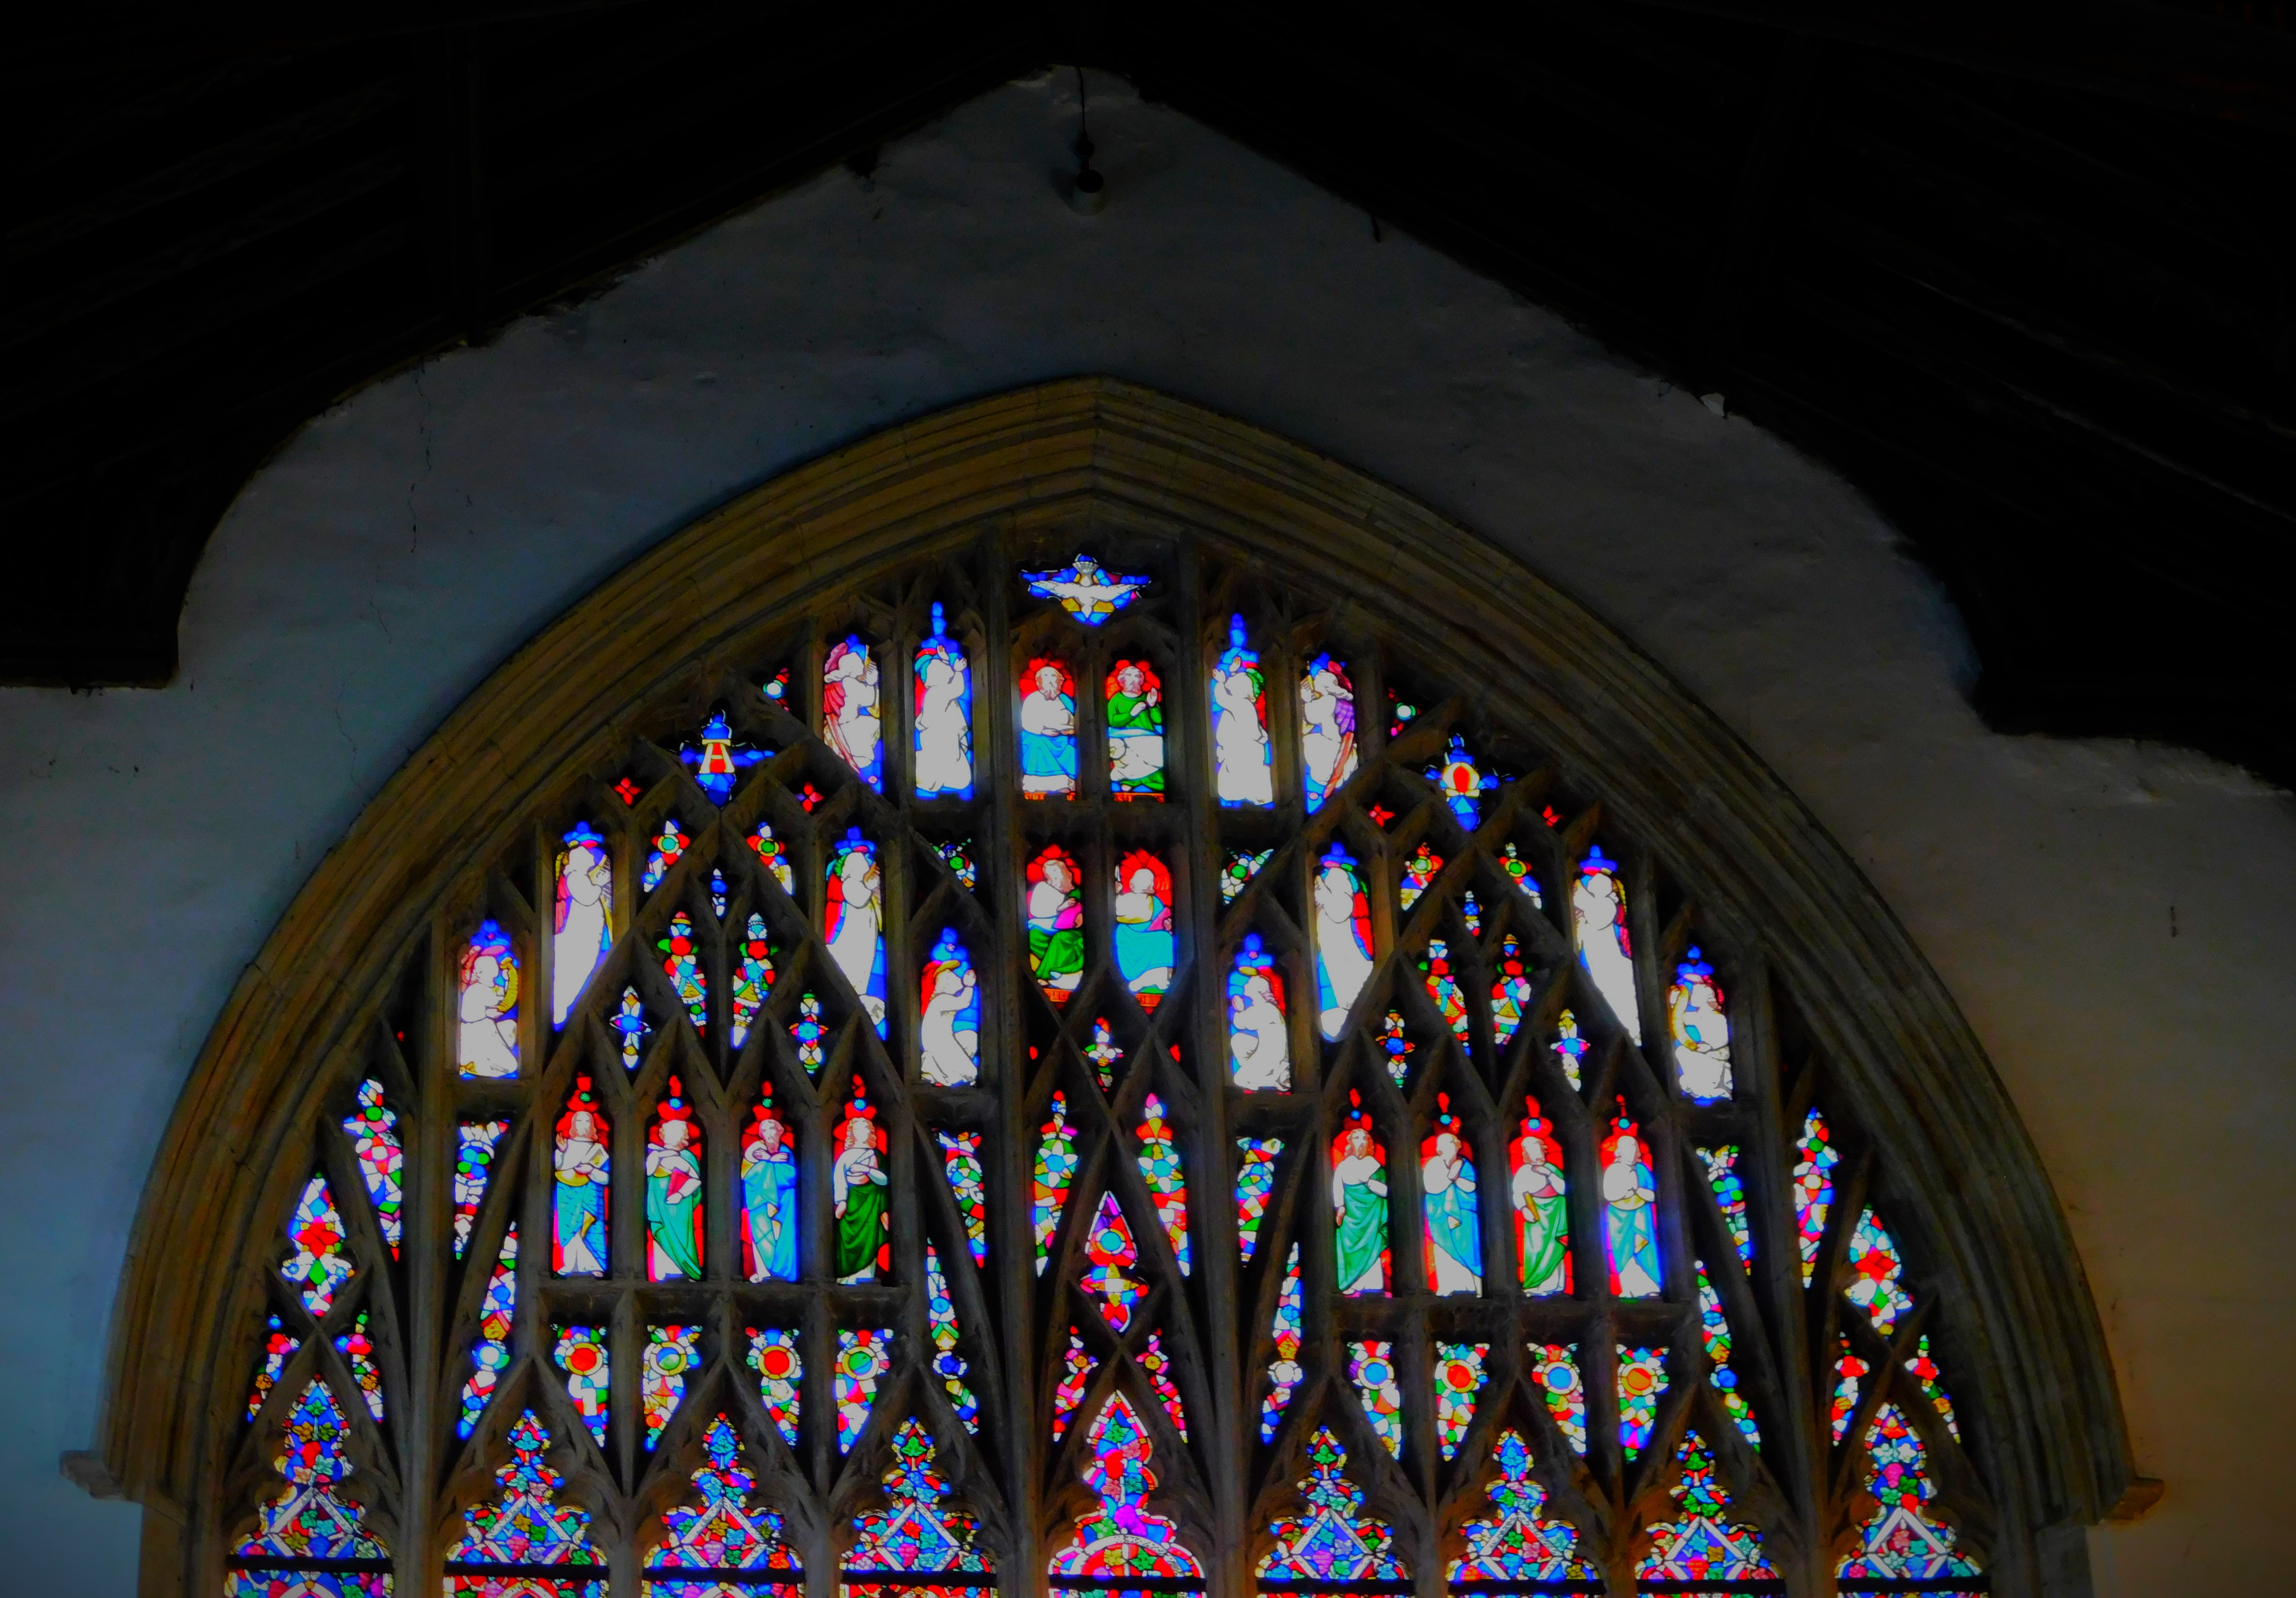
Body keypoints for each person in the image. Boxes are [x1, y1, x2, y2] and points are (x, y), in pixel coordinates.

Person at [552, 825, 612, 1026]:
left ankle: (564, 1005)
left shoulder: (580, 877)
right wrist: (600, 886)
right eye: (586, 855)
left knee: (585, 965)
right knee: (578, 966)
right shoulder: (575, 877)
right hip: (580, 932)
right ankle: (562, 1007)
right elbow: (587, 897)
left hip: (588, 930)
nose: (591, 857)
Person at [827, 839, 886, 1029]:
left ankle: (860, 991)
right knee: (856, 962)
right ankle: (853, 990)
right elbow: (858, 899)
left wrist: (872, 884)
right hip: (855, 932)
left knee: (866, 960)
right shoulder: (850, 884)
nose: (865, 867)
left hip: (868, 930)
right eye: (860, 865)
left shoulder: (863, 883)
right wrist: (868, 884)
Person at [1312, 859, 1374, 1038]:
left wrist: (1323, 893)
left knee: (1345, 981)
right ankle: (1341, 1011)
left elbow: (1340, 912)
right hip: (1327, 945)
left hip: (1340, 945)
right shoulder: (1329, 884)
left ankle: (1349, 1008)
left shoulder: (1341, 885)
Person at [645, 1109, 704, 1280]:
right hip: (658, 1205)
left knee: (680, 1238)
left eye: (678, 1133)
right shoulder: (655, 1154)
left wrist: (680, 1194)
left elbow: (696, 1180)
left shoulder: (686, 1157)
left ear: (684, 1138)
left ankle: (684, 1269)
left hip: (678, 1208)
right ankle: (663, 1270)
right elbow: (647, 1173)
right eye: (669, 1132)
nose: (672, 1136)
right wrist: (657, 1160)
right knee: (661, 1233)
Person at [741, 1106, 799, 1281]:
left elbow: (792, 1175)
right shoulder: (755, 1152)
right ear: (761, 1135)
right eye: (765, 1130)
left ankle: (783, 1273)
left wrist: (770, 1164)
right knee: (761, 1236)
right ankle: (764, 1273)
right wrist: (769, 1163)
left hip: (785, 1203)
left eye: (773, 1129)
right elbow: (748, 1176)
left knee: (783, 1237)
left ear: (781, 1132)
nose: (770, 1133)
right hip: (759, 1203)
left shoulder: (786, 1152)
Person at [913, 626, 972, 797]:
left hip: (945, 739)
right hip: (940, 740)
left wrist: (945, 660)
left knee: (961, 777)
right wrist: (958, 671)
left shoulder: (937, 691)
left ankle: (938, 778)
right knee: (952, 772)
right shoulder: (936, 693)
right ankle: (934, 779)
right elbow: (957, 688)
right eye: (940, 668)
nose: (948, 671)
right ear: (931, 677)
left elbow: (948, 681)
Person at [554, 1095, 609, 1276]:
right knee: (570, 1229)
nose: (583, 1124)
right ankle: (570, 1264)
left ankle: (593, 1264)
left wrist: (591, 1171)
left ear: (593, 1127)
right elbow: (559, 1168)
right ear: (573, 1125)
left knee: (591, 1229)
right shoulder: (566, 1146)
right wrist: (562, 1152)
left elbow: (606, 1178)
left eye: (587, 1121)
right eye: (579, 1121)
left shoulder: (598, 1151)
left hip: (591, 1195)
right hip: (567, 1194)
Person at [1422, 1130, 1483, 1295]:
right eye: (1446, 1144)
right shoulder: (1434, 1165)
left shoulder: (1465, 1165)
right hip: (1441, 1217)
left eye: (1453, 1143)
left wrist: (1456, 1178)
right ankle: (1449, 1286)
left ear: (1458, 1146)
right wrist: (1450, 1176)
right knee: (1445, 1250)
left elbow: (1472, 1187)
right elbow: (1431, 1187)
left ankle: (1470, 1287)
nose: (1451, 1147)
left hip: (1466, 1216)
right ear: (1439, 1149)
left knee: (1468, 1250)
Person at [1602, 1132, 1661, 1297]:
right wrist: (1626, 1191)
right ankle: (1629, 1289)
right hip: (1619, 1218)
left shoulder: (1643, 1170)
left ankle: (1650, 1288)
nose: (1631, 1152)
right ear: (1619, 1152)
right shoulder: (1613, 1170)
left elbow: (1654, 1195)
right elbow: (1608, 1194)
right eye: (1627, 1148)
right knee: (1624, 1253)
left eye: (1634, 1148)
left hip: (1642, 1215)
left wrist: (1638, 1191)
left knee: (1644, 1250)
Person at [1332, 1126, 1389, 1294]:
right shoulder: (1344, 1166)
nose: (1361, 1142)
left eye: (1365, 1139)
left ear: (1370, 1144)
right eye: (1357, 1139)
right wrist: (1340, 1207)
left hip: (1372, 1215)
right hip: (1351, 1219)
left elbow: (1385, 1191)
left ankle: (1373, 1284)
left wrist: (1368, 1182)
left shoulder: (1375, 1166)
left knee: (1372, 1246)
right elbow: (1337, 1187)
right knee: (1349, 1248)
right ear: (1350, 1144)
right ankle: (1352, 1282)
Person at [1512, 1127, 1569, 1293]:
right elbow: (1517, 1193)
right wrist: (1524, 1209)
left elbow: (1564, 1189)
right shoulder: (1523, 1172)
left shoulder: (1552, 1169)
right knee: (1536, 1249)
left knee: (1556, 1248)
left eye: (1540, 1151)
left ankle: (1554, 1286)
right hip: (1536, 1216)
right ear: (1526, 1155)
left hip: (1556, 1213)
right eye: (1533, 1152)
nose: (1538, 1156)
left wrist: (1549, 1175)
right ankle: (1535, 1286)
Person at [458, 925, 520, 1078]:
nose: (494, 979)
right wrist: (486, 1013)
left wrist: (509, 980)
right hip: (479, 1035)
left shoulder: (491, 988)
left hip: (489, 1029)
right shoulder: (476, 990)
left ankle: (485, 1060)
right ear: (482, 973)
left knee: (512, 1026)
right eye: (492, 974)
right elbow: (468, 1015)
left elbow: (505, 996)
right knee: (512, 1066)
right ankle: (476, 1065)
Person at [833, 1114, 888, 1282]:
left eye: (866, 1130)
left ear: (871, 1133)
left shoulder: (877, 1156)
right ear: (852, 1133)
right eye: (858, 1130)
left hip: (871, 1204)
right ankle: (846, 1279)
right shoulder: (845, 1156)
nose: (862, 1133)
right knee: (846, 1240)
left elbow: (884, 1180)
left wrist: (867, 1170)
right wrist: (841, 1201)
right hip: (851, 1205)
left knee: (870, 1241)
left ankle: (866, 1276)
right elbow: (839, 1178)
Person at [919, 938, 981, 1086]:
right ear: (944, 982)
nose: (956, 976)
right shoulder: (940, 1001)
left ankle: (946, 1072)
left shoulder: (942, 1000)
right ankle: (940, 1072)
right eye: (950, 974)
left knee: (970, 1038)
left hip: (945, 1041)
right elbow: (963, 1002)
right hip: (939, 1045)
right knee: (971, 1073)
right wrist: (969, 987)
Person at [1112, 860, 1175, 1003]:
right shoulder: (1126, 900)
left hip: (1141, 939)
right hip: (1130, 940)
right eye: (1148, 882)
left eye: (1150, 882)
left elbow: (1161, 923)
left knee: (1165, 938)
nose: (1150, 885)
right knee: (1164, 939)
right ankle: (1142, 978)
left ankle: (1157, 978)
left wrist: (1168, 927)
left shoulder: (1154, 902)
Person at [1298, 655, 1358, 806]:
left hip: (1332, 747)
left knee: (1307, 741)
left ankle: (1325, 777)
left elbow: (1312, 716)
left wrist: (1307, 699)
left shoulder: (1329, 699)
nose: (1315, 684)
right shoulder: (1344, 702)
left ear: (1325, 686)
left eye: (1318, 681)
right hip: (1346, 747)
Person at [1027, 850, 1084, 999]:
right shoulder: (1043, 888)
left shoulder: (1077, 892)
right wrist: (1060, 908)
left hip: (1073, 931)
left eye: (1060, 875)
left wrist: (1079, 917)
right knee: (1034, 935)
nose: (1058, 880)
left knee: (1060, 939)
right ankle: (1059, 967)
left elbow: (1084, 912)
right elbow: (1037, 910)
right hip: (1049, 926)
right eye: (1054, 877)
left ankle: (1045, 974)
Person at [1105, 660, 1165, 797]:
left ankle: (1143, 781)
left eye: (1136, 676)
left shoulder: (1146, 697)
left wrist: (1153, 706)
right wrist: (1132, 714)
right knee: (1126, 755)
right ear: (1122, 681)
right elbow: (1113, 721)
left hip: (1148, 737)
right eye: (1129, 676)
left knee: (1157, 752)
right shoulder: (1116, 700)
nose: (1133, 680)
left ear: (1141, 681)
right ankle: (1132, 781)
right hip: (1124, 737)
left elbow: (1158, 720)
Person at [1019, 661, 1078, 797]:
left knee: (1072, 746)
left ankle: (1063, 783)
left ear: (1060, 682)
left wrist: (1069, 730)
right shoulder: (1033, 699)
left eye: (1054, 677)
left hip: (1062, 738)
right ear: (1039, 682)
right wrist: (1042, 731)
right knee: (1038, 743)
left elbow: (1072, 721)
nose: (1050, 681)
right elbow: (1026, 722)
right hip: (1038, 736)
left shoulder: (1065, 700)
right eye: (1046, 677)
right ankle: (1037, 785)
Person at [1228, 969, 1291, 1091]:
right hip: (1265, 1048)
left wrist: (1240, 1010)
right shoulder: (1263, 1007)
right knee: (1239, 1041)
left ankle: (1277, 1080)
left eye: (1249, 983)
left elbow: (1242, 1022)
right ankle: (1257, 1070)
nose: (1246, 985)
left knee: (1240, 1080)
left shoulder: (1267, 1009)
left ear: (1258, 990)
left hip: (1273, 1055)